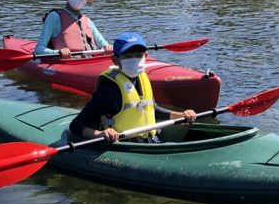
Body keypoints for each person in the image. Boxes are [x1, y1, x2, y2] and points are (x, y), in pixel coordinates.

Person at [69, 31, 197, 143]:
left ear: (146, 56)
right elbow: (76, 125)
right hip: (125, 145)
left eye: (138, 56)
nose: (134, 60)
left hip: (151, 140)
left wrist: (179, 115)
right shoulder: (110, 88)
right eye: (128, 57)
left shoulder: (141, 78)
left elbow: (153, 109)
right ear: (115, 60)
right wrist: (100, 134)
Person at [34, 0, 111, 58]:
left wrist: (107, 47)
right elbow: (39, 49)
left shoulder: (88, 21)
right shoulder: (54, 17)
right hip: (66, 63)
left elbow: (104, 44)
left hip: (90, 62)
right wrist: (58, 52)